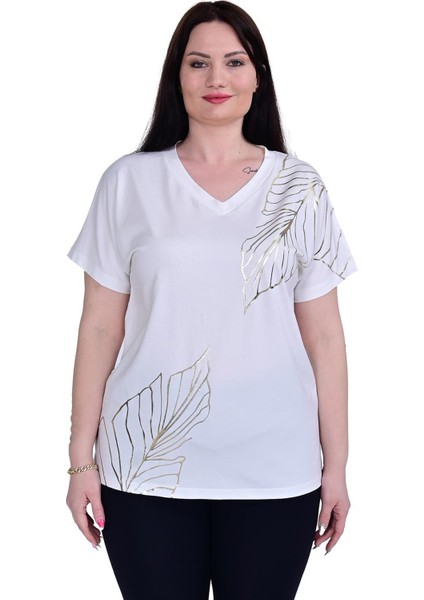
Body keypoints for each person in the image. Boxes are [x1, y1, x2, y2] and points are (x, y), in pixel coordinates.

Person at [66, 1, 357, 598]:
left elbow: (325, 337)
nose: (216, 78)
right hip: (144, 468)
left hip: (276, 467)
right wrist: (80, 460)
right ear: (177, 76)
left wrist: (337, 467)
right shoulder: (128, 182)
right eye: (198, 63)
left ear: (258, 77)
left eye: (234, 62)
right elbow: (99, 328)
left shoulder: (300, 187)